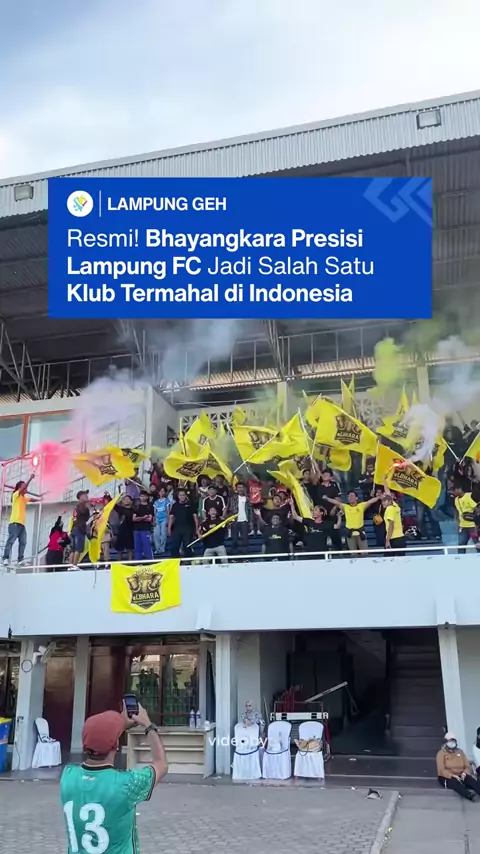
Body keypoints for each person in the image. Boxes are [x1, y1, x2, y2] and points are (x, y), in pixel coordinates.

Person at [60, 703, 168, 854]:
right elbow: (161, 764)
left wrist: (115, 728)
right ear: (116, 745)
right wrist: (148, 726)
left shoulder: (68, 776)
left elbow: (99, 740)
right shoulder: (127, 784)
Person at [2, 474, 37, 566]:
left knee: (23, 542)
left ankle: (20, 560)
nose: (26, 488)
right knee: (11, 541)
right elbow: (23, 488)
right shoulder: (15, 495)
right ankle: (5, 558)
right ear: (19, 488)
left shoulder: (23, 498)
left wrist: (40, 499)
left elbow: (31, 499)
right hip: (14, 523)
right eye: (24, 486)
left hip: (22, 524)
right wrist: (30, 478)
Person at [436, 732, 480, 801]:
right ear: (446, 742)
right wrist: (452, 775)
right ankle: (469, 795)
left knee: (472, 781)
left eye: (453, 741)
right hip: (447, 777)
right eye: (450, 741)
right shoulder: (441, 753)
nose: (452, 743)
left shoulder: (460, 752)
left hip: (461, 774)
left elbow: (467, 765)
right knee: (455, 783)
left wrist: (464, 773)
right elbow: (441, 769)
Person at [168, 488, 198, 559]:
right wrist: (169, 528)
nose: (182, 496)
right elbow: (171, 517)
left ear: (186, 495)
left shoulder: (191, 504)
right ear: (178, 496)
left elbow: (195, 517)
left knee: (187, 546)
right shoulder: (175, 505)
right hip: (177, 529)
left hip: (188, 529)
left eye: (183, 495)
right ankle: (175, 561)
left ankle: (188, 561)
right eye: (180, 495)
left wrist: (196, 529)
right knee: (175, 546)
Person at [228, 481, 252, 553]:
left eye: (242, 487)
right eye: (239, 487)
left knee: (245, 539)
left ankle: (245, 554)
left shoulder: (247, 498)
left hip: (244, 520)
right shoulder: (233, 497)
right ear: (236, 488)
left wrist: (250, 521)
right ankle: (234, 554)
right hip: (235, 520)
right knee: (234, 539)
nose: (240, 489)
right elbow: (230, 489)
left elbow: (250, 510)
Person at [454, 485, 478, 554]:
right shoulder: (456, 499)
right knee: (461, 544)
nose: (454, 492)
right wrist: (458, 523)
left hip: (473, 526)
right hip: (463, 526)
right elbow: (458, 511)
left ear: (459, 489)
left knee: (477, 543)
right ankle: (460, 558)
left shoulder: (469, 496)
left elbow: (476, 508)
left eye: (454, 490)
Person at [70, 490, 91, 566]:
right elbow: (86, 516)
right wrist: (88, 506)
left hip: (74, 528)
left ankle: (70, 566)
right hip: (79, 529)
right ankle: (75, 565)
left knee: (73, 550)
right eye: (85, 495)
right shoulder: (82, 505)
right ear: (81, 497)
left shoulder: (76, 507)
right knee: (78, 549)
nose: (87, 497)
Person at [132, 491, 154, 561]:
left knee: (147, 546)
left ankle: (150, 561)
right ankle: (138, 562)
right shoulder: (136, 507)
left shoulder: (150, 507)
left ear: (147, 497)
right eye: (141, 496)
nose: (143, 497)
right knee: (137, 547)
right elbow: (134, 519)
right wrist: (143, 517)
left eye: (144, 496)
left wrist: (139, 518)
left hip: (146, 529)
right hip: (136, 529)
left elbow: (149, 519)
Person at [116, 495, 135, 561]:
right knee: (119, 549)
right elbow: (113, 504)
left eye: (128, 499)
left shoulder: (134, 510)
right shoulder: (120, 509)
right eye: (124, 499)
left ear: (131, 501)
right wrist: (108, 495)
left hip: (130, 531)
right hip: (121, 531)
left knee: (130, 549)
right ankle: (118, 564)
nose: (126, 500)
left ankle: (130, 563)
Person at [153, 485, 170, 555]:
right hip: (157, 519)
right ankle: (158, 549)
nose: (161, 492)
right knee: (156, 534)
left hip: (164, 519)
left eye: (163, 491)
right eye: (160, 491)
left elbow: (168, 511)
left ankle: (162, 548)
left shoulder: (166, 501)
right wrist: (154, 520)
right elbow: (155, 512)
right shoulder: (156, 502)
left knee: (163, 534)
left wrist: (168, 520)